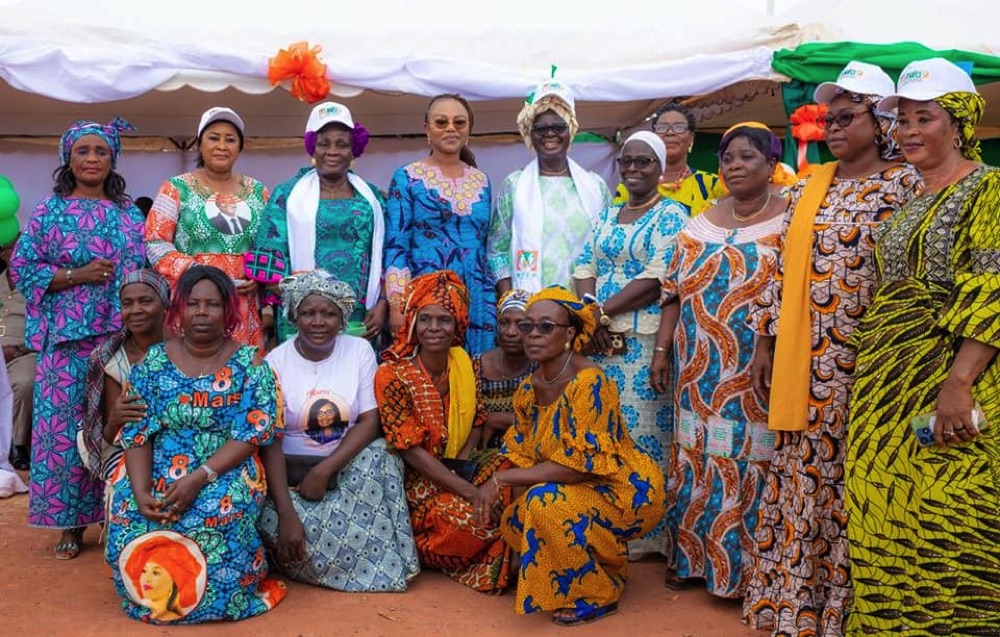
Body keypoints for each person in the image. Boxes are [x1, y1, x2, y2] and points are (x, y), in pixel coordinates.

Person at [742, 62, 922, 635]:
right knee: (801, 478)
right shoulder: (811, 185)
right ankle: (799, 604)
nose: (832, 128)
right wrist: (764, 343)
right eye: (828, 118)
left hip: (868, 363)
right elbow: (780, 268)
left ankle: (849, 610)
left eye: (846, 117)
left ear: (883, 120)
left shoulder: (906, 184)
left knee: (851, 480)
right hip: (804, 363)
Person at [844, 58, 1000, 633]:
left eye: (923, 118)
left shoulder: (989, 190)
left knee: (949, 512)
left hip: (951, 386)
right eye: (901, 120)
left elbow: (993, 290)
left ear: (958, 124)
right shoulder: (907, 207)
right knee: (881, 508)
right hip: (886, 390)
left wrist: (958, 386)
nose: (907, 131)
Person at [105, 265, 286, 623]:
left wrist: (199, 477)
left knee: (214, 515)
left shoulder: (251, 364)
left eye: (213, 305)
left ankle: (220, 596)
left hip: (224, 468)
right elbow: (138, 434)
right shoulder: (152, 363)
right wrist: (141, 492)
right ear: (178, 311)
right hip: (158, 463)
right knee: (131, 513)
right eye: (193, 304)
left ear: (229, 311)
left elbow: (251, 436)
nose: (202, 313)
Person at [479, 286, 665, 626]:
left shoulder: (589, 382)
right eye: (527, 327)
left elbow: (576, 470)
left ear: (570, 334)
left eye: (546, 327)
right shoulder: (527, 390)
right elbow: (522, 457)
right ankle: (608, 564)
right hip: (579, 490)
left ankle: (598, 592)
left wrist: (501, 479)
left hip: (626, 490)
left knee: (544, 503)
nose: (533, 334)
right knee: (517, 517)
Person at [652, 123, 785, 598]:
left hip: (757, 365)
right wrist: (663, 350)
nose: (735, 165)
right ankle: (689, 559)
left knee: (750, 457)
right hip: (696, 366)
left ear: (772, 165)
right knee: (695, 456)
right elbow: (672, 293)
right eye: (728, 158)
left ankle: (747, 572)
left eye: (748, 157)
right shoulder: (699, 223)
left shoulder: (790, 223)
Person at [10, 117, 146, 560]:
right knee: (65, 434)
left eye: (101, 151)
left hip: (118, 338)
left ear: (113, 159)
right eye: (83, 151)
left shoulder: (128, 213)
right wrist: (74, 276)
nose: (92, 159)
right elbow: (22, 269)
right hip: (64, 341)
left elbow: (142, 271)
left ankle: (115, 513)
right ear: (68, 158)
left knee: (116, 425)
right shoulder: (49, 212)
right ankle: (70, 523)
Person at [257, 269, 420, 592]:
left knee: (382, 456)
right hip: (292, 481)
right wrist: (288, 513)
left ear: (342, 319)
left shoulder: (358, 351)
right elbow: (270, 440)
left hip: (347, 473)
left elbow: (371, 420)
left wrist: (326, 469)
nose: (318, 321)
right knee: (291, 529)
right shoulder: (275, 361)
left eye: (329, 313)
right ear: (293, 316)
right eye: (308, 313)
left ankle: (359, 562)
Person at [573, 130, 688, 557]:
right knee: (607, 433)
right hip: (601, 343)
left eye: (645, 162)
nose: (635, 169)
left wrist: (599, 311)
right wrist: (591, 311)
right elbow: (584, 263)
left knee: (644, 436)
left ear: (660, 168)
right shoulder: (607, 214)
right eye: (628, 162)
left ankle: (649, 534)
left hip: (643, 345)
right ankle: (611, 526)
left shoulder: (672, 215)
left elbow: (658, 276)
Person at [375, 270, 512, 592]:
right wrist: (469, 492)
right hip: (416, 481)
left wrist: (464, 470)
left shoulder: (463, 363)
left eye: (444, 320)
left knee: (515, 474)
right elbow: (409, 450)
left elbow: (477, 421)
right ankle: (416, 548)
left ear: (458, 325)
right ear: (412, 323)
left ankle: (491, 543)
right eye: (425, 319)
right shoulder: (391, 374)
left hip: (461, 468)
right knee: (473, 523)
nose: (434, 329)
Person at [254, 101, 387, 344]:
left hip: (361, 321)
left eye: (342, 144)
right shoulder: (287, 195)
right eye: (324, 144)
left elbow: (389, 253)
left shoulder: (372, 199)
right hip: (304, 320)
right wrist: (304, 307)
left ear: (353, 149)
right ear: (312, 149)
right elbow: (269, 260)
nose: (333, 151)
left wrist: (383, 303)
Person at [146, 107, 267, 352]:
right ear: (200, 145)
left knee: (241, 374)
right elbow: (155, 243)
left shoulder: (258, 191)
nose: (222, 145)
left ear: (239, 148)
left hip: (243, 304)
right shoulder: (176, 188)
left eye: (230, 139)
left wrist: (259, 276)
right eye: (214, 138)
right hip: (194, 301)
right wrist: (200, 273)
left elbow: (270, 245)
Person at [384, 94, 495, 355]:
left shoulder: (482, 181)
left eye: (459, 122)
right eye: (441, 122)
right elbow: (396, 245)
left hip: (476, 292)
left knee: (474, 370)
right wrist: (397, 303)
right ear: (427, 130)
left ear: (468, 130)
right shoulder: (407, 177)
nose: (451, 128)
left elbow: (485, 242)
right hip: (426, 293)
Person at [487, 80, 611, 294]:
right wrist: (508, 300)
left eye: (559, 126)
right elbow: (496, 251)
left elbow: (609, 247)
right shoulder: (514, 185)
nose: (550, 133)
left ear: (570, 131)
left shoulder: (596, 186)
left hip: (585, 307)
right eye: (541, 128)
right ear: (530, 135)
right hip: (530, 308)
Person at [80, 270, 169, 509]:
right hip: (127, 448)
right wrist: (115, 420)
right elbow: (110, 438)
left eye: (146, 301)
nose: (136, 310)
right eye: (127, 304)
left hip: (182, 440)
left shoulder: (187, 346)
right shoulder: (111, 358)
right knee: (130, 487)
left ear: (165, 304)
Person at [612, 103, 726, 216]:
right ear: (654, 137)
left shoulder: (712, 185)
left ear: (691, 138)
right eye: (662, 127)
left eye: (679, 127)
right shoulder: (631, 185)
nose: (670, 133)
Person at [473, 289, 535, 449]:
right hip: (480, 456)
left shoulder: (542, 369)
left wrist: (498, 419)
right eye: (504, 323)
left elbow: (551, 423)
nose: (510, 332)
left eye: (521, 325)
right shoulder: (475, 366)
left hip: (528, 459)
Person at [0, 235, 34, 471]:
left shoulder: (36, 288)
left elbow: (46, 328)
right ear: (4, 254)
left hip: (24, 352)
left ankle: (16, 445)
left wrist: (18, 349)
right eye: (15, 248)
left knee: (23, 383)